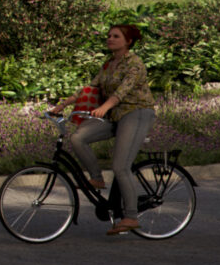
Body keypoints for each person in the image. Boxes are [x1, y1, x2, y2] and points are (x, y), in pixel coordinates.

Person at [63, 22, 155, 237]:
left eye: (115, 36)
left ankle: (131, 216)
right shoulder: (108, 64)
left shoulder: (134, 63)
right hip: (115, 115)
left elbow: (123, 91)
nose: (110, 39)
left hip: (136, 113)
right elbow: (90, 89)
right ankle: (96, 178)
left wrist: (104, 107)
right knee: (78, 137)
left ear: (128, 41)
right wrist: (62, 105)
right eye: (109, 35)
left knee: (120, 166)